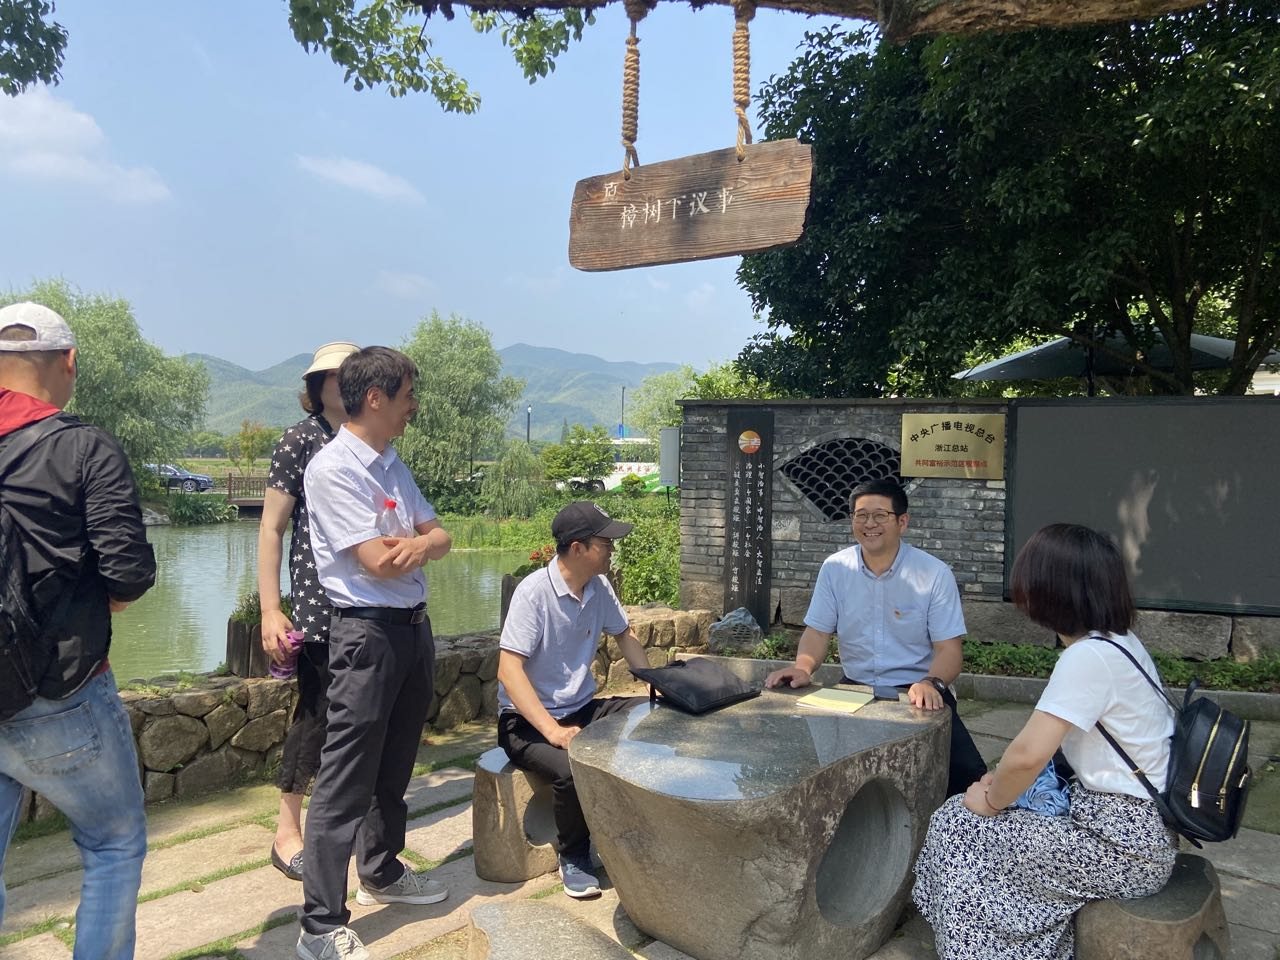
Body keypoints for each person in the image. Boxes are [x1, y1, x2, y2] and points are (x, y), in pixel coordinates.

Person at [912, 523, 1177, 959]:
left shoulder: (1088, 657)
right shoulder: (1119, 643)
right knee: (972, 818)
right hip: (1135, 830)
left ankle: (983, 949)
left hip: (1121, 846)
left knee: (958, 825)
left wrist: (991, 800)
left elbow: (1027, 755)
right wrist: (999, 787)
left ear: (1050, 592)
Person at [0, 302, 156, 960]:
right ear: (67, 362)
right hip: (58, 692)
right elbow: (129, 571)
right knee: (113, 843)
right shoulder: (84, 446)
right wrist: (105, 597)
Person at [297, 346, 453, 960]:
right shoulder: (332, 469)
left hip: (412, 629)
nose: (413, 407)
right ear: (375, 398)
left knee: (395, 762)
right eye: (408, 396)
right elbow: (376, 563)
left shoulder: (391, 464)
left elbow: (439, 536)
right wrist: (415, 546)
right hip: (365, 634)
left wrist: (418, 545)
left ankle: (382, 870)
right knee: (346, 777)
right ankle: (319, 924)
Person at [765, 478, 987, 796]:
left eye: (880, 515)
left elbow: (949, 650)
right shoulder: (835, 569)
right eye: (861, 515)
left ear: (902, 522)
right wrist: (803, 667)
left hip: (918, 690)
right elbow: (818, 631)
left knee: (968, 779)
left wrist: (931, 683)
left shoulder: (934, 574)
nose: (869, 524)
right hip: (855, 688)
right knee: (823, 771)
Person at [497, 501, 651, 899]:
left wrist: (656, 684)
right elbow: (509, 670)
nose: (613, 549)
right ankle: (575, 856)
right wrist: (553, 731)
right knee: (571, 767)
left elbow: (625, 635)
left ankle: (635, 827)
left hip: (582, 708)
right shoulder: (534, 593)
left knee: (653, 715)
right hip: (526, 722)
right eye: (606, 543)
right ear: (579, 548)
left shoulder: (599, 587)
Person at [257, 341, 359, 880]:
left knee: (358, 716)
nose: (343, 383)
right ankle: (286, 831)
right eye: (333, 376)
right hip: (320, 603)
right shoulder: (301, 439)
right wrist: (272, 609)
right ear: (317, 386)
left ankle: (344, 824)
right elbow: (272, 527)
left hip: (368, 602)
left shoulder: (369, 440)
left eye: (352, 375)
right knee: (315, 713)